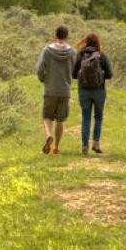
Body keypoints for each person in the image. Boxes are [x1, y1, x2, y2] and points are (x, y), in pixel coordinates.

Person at [35, 26, 77, 155]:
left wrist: (43, 79)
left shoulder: (47, 51)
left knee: (47, 116)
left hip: (50, 89)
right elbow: (76, 71)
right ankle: (57, 148)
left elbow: (39, 69)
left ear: (55, 35)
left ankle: (48, 135)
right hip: (65, 90)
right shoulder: (73, 52)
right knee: (60, 119)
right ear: (67, 36)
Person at [73, 32, 113, 156]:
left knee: (86, 118)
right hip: (99, 91)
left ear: (86, 42)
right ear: (98, 42)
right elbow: (110, 75)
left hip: (84, 90)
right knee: (98, 117)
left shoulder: (80, 55)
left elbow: (73, 75)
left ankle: (85, 145)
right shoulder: (101, 55)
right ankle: (96, 143)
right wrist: (100, 76)